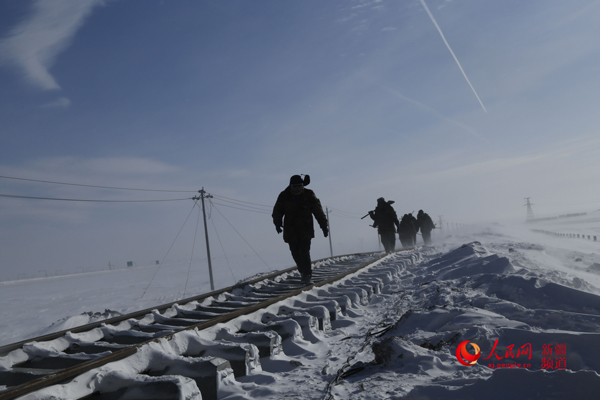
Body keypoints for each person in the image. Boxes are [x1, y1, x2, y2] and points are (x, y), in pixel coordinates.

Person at [272, 174, 329, 285]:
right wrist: (277, 222)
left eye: (299, 186)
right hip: (291, 230)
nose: (297, 189)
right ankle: (302, 271)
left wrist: (323, 225)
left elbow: (318, 210)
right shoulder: (284, 196)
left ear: (303, 186)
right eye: (295, 187)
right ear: (290, 186)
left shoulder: (309, 194)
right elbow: (277, 210)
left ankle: (307, 275)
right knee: (295, 253)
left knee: (304, 252)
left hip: (305, 228)